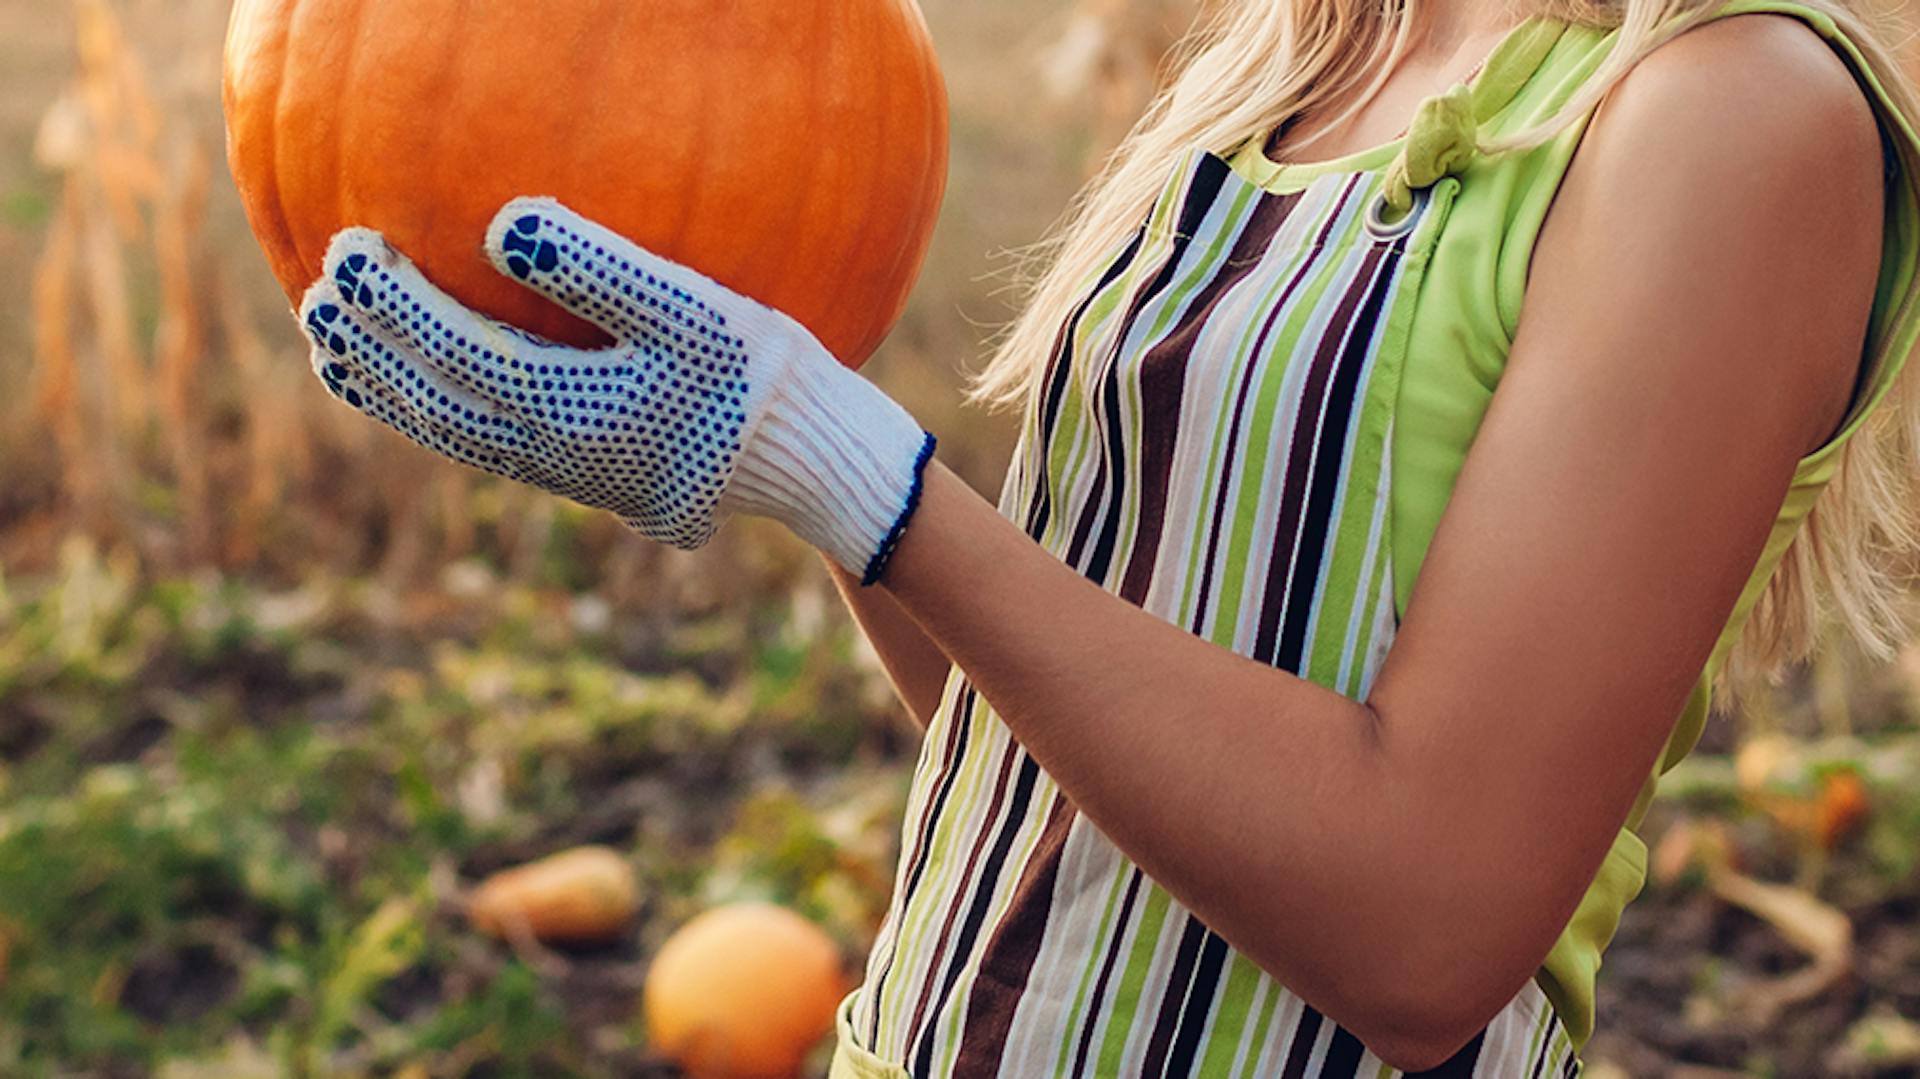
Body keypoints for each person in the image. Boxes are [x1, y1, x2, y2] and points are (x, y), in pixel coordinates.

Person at [292, 0, 1920, 1072]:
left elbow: (1429, 930)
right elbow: (1052, 758)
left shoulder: (1733, 114)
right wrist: (790, 470)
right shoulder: (1300, 51)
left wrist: (876, 489)